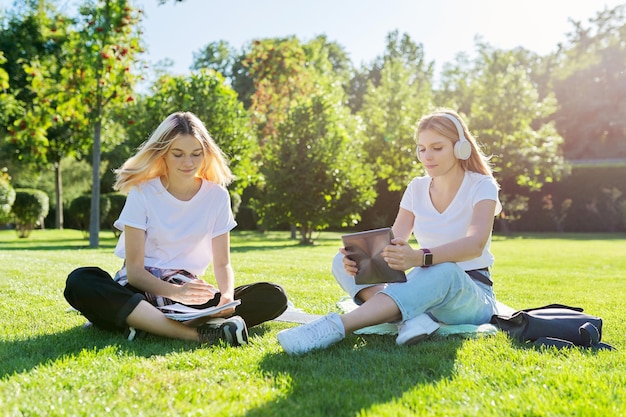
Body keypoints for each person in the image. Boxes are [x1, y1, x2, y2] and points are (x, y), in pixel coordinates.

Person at [277, 109, 501, 355]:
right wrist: (363, 258)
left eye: (437, 148)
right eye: (422, 148)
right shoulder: (416, 188)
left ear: (460, 148)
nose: (428, 156)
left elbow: (475, 243)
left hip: (471, 293)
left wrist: (420, 257)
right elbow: (393, 242)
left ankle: (334, 328)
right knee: (343, 262)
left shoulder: (482, 185)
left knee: (445, 269)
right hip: (424, 289)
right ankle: (410, 321)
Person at [64, 111, 288, 346]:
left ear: (205, 154)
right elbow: (134, 271)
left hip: (187, 294)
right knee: (81, 280)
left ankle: (145, 324)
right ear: (163, 154)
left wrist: (226, 297)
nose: (188, 163)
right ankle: (196, 334)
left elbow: (223, 263)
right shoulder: (143, 192)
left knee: (273, 295)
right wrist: (175, 294)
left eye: (195, 154)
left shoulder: (218, 196)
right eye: (178, 154)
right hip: (138, 292)